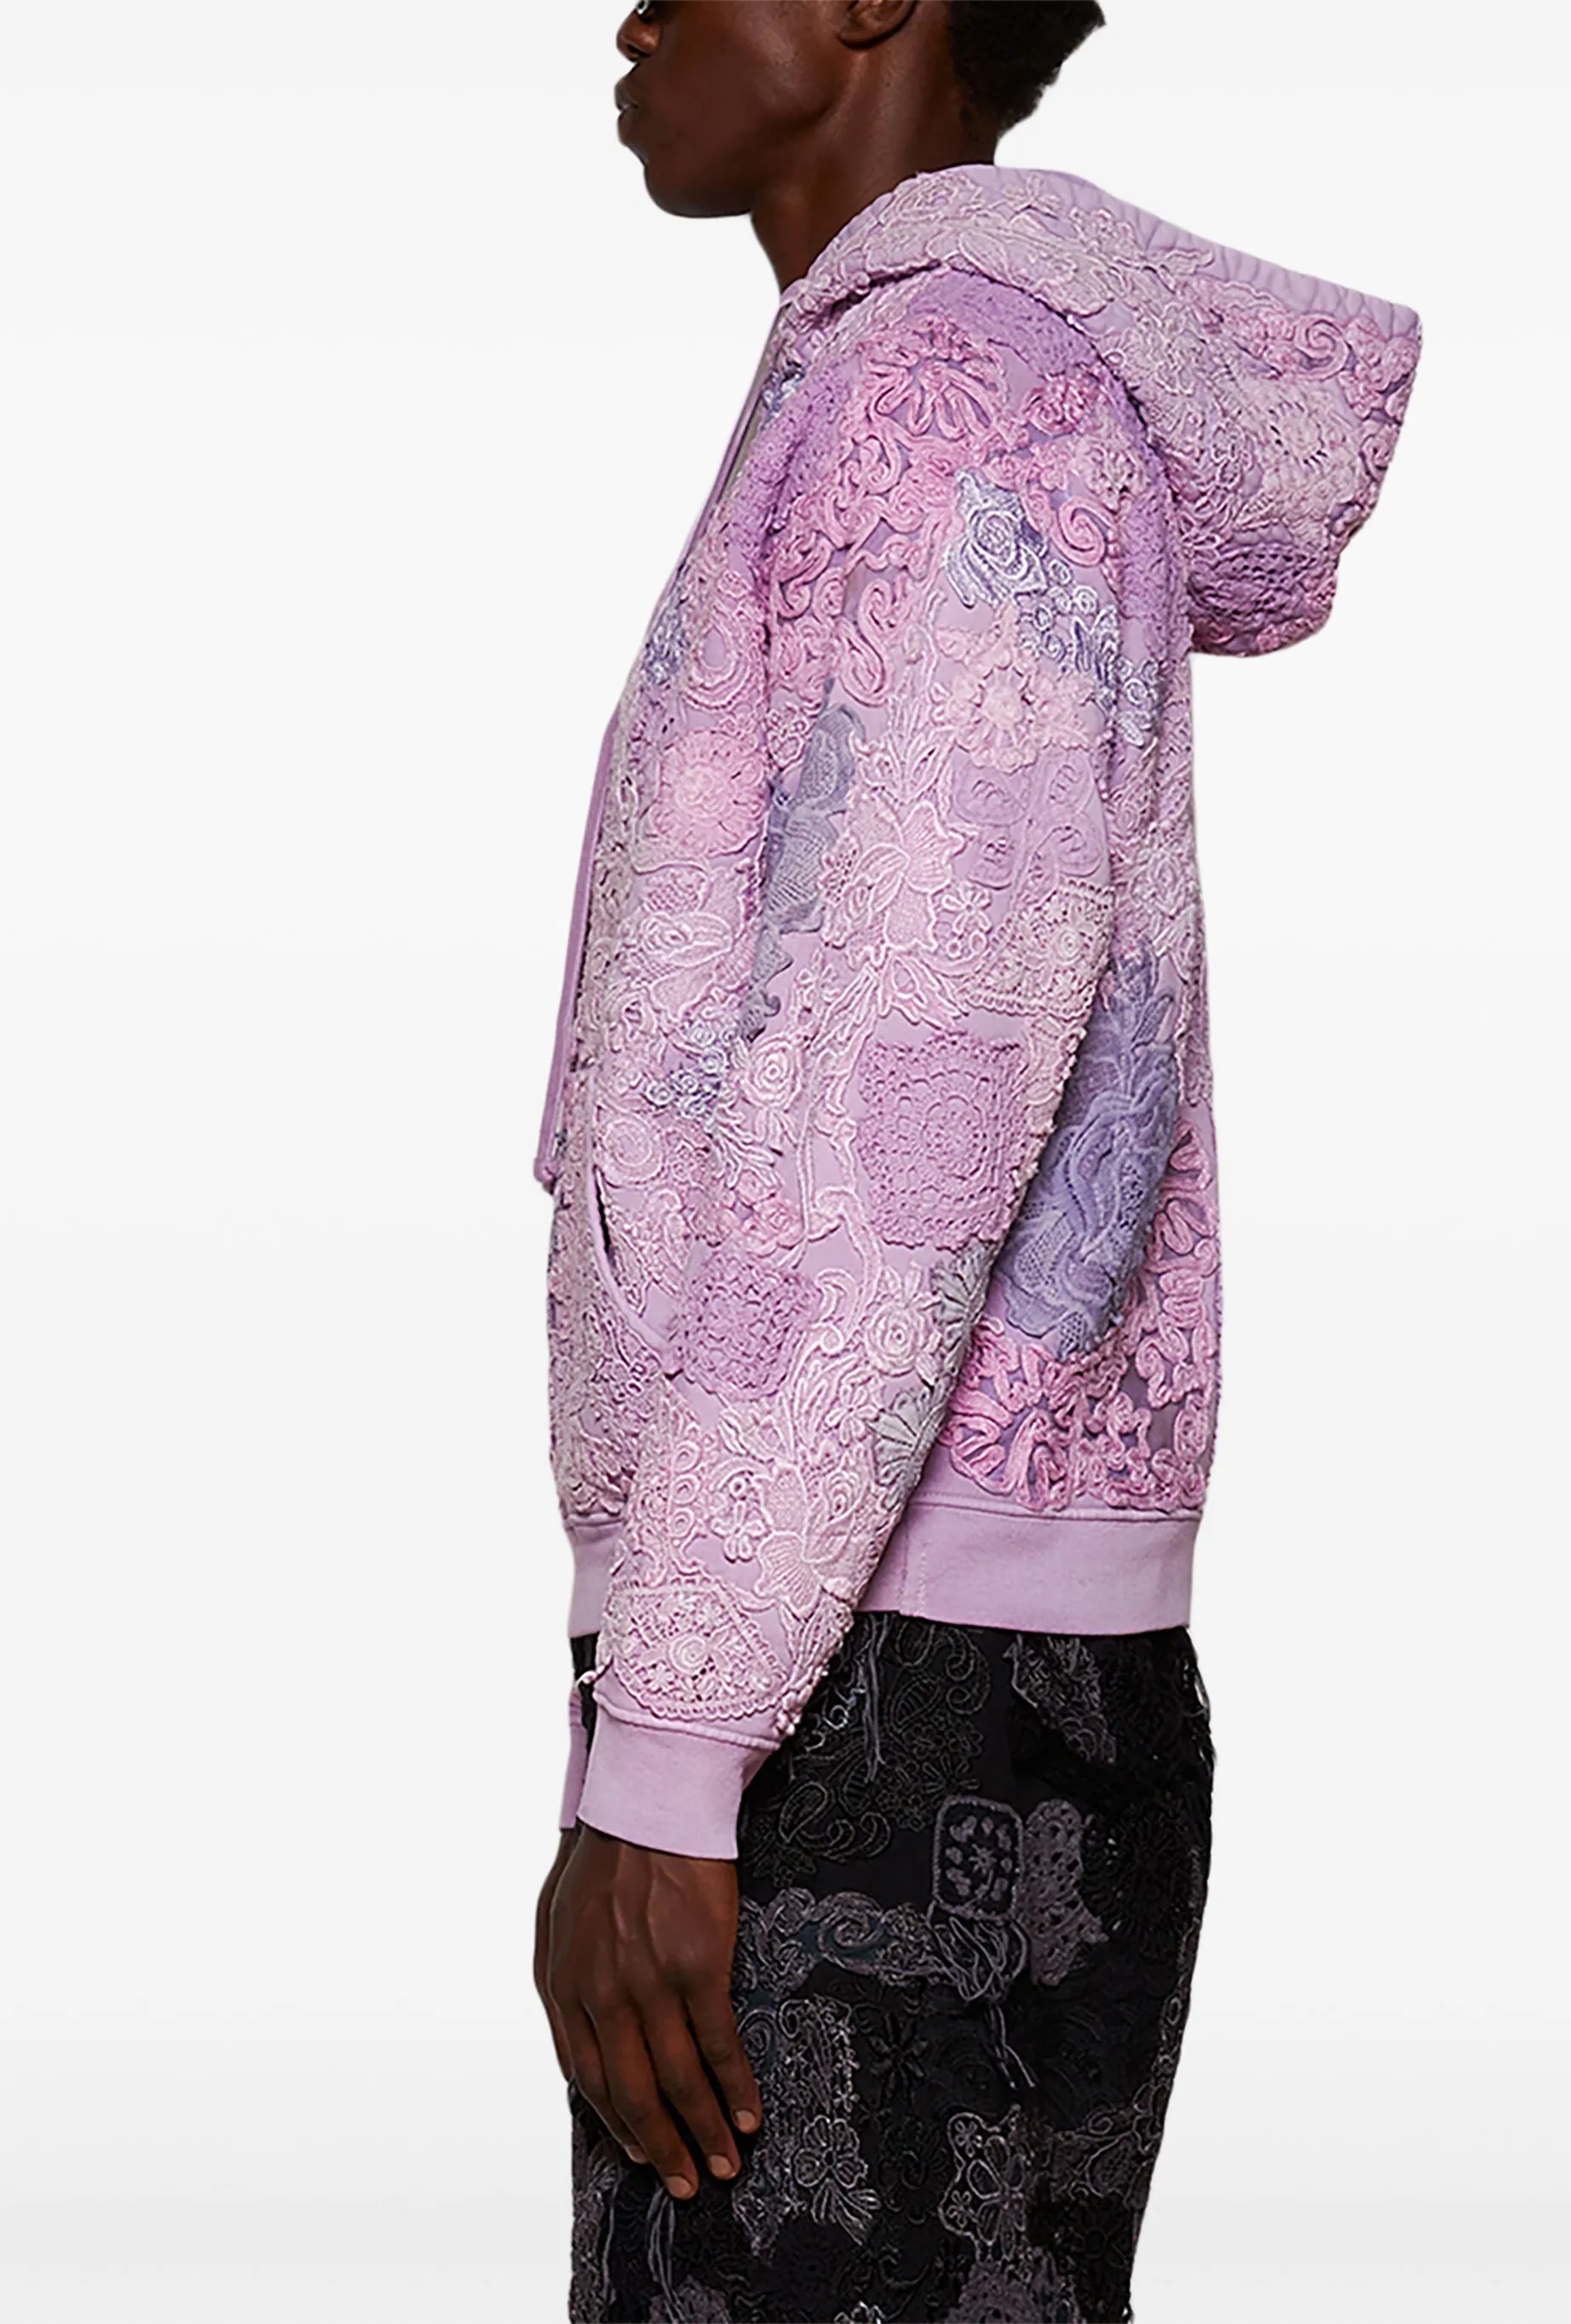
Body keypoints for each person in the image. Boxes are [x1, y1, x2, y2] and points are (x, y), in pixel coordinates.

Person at [531, 3, 1422, 2315]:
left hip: (870, 1681)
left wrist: (676, 1749)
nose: (628, 15)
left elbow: (889, 1115)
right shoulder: (922, 382)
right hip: (898, 1652)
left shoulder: (951, 400)